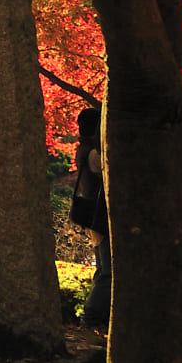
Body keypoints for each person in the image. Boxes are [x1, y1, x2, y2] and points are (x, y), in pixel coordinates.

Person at [72, 107, 110, 332]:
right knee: (109, 271)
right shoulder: (94, 154)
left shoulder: (84, 149)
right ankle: (92, 317)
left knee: (103, 269)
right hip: (100, 217)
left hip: (92, 217)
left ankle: (96, 317)